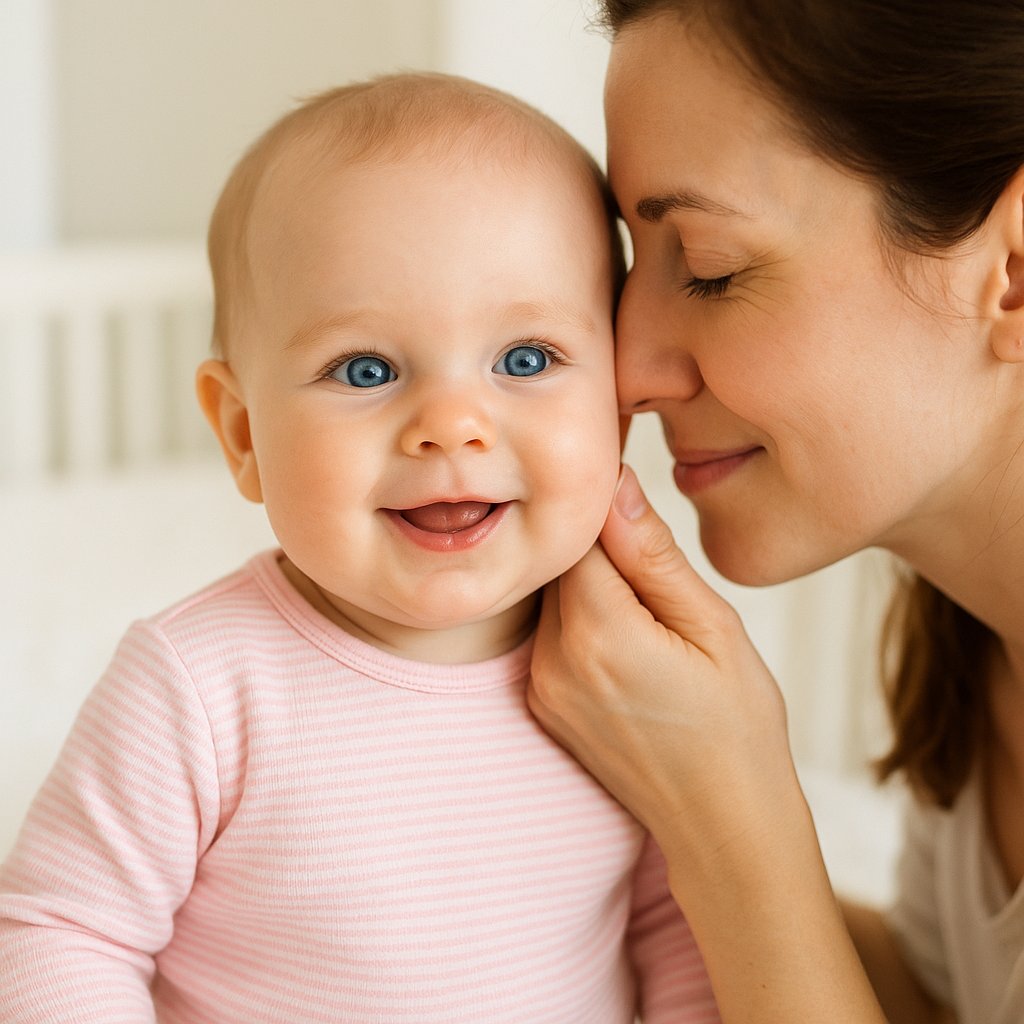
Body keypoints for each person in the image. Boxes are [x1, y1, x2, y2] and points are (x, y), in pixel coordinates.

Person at [0, 72, 720, 1023]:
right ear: (245, 434)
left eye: (526, 360)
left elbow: (678, 928)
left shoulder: (627, 677)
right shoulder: (200, 686)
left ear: (617, 404)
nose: (453, 426)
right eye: (367, 370)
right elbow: (61, 932)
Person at [526, 2, 1024, 1023]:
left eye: (709, 268)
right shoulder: (977, 651)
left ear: (1012, 274)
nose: (624, 370)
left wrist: (727, 816)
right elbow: (944, 1001)